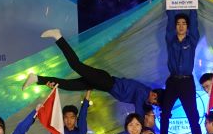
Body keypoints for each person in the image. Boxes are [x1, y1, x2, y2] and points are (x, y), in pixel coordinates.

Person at [24, 29, 161, 117]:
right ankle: (58, 36)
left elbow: (143, 107)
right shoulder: (143, 93)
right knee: (75, 65)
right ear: (154, 94)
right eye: (154, 100)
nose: (152, 103)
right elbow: (139, 111)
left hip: (102, 84)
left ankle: (36, 78)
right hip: (105, 81)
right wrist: (142, 127)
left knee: (69, 85)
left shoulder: (144, 96)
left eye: (154, 104)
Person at [159, 3, 203, 134]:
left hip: (187, 82)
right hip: (172, 81)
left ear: (187, 27)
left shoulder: (192, 40)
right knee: (165, 114)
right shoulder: (170, 39)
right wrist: (170, 4)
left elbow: (195, 23)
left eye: (184, 24)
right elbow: (169, 22)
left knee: (193, 117)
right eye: (178, 24)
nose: (181, 26)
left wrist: (193, 6)